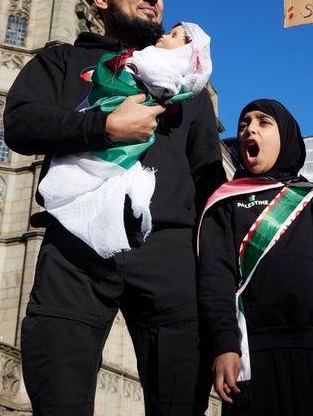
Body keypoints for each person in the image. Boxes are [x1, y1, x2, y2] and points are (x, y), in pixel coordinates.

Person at [4, 0, 225, 416]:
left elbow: (208, 179)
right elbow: (20, 124)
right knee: (59, 399)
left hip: (168, 252)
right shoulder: (62, 61)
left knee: (180, 405)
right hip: (76, 248)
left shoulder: (190, 86)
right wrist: (104, 127)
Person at [196, 89, 313, 416]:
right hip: (251, 355)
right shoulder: (224, 203)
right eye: (243, 124)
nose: (249, 130)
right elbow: (216, 279)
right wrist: (224, 344)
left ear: (285, 136)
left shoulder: (311, 200)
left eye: (263, 122)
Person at [37, 21, 212, 258]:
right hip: (71, 251)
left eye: (173, 36)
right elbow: (24, 124)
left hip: (164, 249)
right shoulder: (66, 58)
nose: (163, 36)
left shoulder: (182, 89)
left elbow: (207, 174)